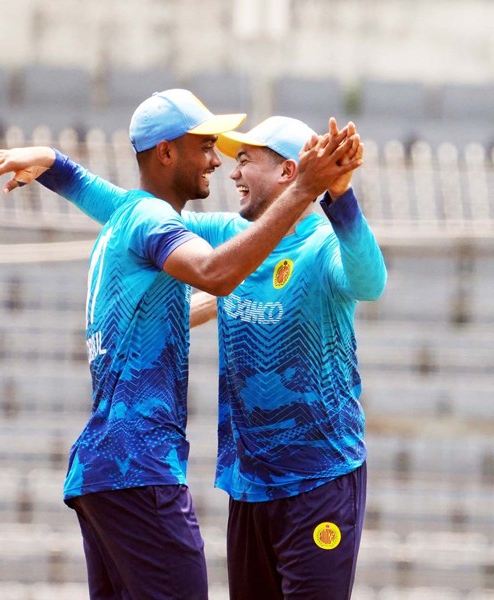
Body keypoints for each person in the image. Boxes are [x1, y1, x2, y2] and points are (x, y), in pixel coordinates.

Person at [0, 89, 362, 600]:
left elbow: (200, 293)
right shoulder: (153, 221)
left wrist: (54, 165)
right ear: (166, 153)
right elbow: (216, 274)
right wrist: (304, 188)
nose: (215, 161)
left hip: (103, 473)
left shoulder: (127, 219)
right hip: (140, 469)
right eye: (203, 145)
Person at [187, 116, 387, 600]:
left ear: (287, 172)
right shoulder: (227, 233)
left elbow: (370, 283)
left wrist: (339, 194)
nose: (233, 174)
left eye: (245, 161)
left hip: (318, 479)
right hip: (250, 484)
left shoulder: (320, 247)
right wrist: (56, 168)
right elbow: (139, 221)